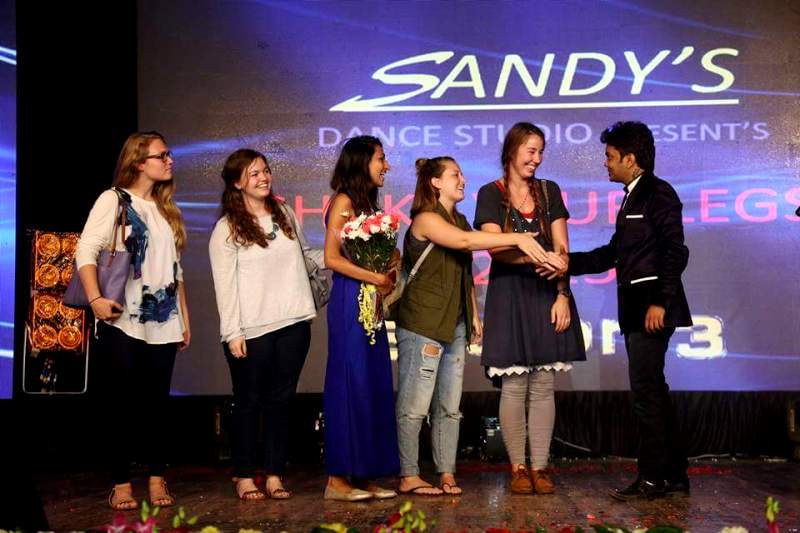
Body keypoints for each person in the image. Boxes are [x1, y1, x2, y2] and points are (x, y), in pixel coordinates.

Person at [394, 156, 563, 496]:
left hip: (453, 322)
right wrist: (517, 238)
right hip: (423, 322)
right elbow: (465, 242)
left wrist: (472, 313)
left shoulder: (457, 218)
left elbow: (463, 269)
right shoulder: (426, 219)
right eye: (455, 174)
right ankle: (409, 474)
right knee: (414, 406)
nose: (462, 180)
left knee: (449, 407)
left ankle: (446, 473)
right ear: (435, 182)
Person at [568, 121, 691, 500]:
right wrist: (563, 262)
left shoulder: (658, 193)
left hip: (651, 308)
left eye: (609, 157)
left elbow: (676, 250)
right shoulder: (631, 196)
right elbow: (613, 253)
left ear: (630, 159)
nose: (605, 163)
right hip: (636, 309)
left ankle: (653, 477)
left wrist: (660, 301)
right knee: (654, 390)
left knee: (646, 394)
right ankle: (673, 474)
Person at [75, 131, 190, 510]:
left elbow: (175, 270)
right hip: (124, 317)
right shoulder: (114, 200)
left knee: (158, 403)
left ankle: (157, 478)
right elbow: (86, 250)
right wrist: (95, 299)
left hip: (165, 317)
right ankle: (121, 483)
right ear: (140, 162)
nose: (170, 160)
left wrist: (184, 319)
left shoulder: (165, 208)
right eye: (162, 155)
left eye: (169, 154)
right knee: (122, 403)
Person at [474, 122, 586, 495]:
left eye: (540, 152)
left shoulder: (549, 191)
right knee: (514, 384)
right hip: (509, 293)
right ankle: (518, 467)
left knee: (543, 385)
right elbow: (493, 248)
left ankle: (540, 467)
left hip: (545, 293)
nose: (536, 159)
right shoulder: (490, 193)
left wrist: (562, 294)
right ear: (512, 151)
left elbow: (562, 248)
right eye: (530, 151)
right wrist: (529, 253)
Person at [209, 149, 318, 501]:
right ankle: (243, 475)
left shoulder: (284, 213)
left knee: (281, 401)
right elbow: (224, 286)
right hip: (252, 330)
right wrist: (232, 333)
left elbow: (307, 255)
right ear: (238, 182)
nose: (264, 177)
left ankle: (274, 473)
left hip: (294, 321)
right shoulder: (226, 228)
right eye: (254, 173)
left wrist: (347, 250)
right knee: (248, 402)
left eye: (266, 170)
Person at [322, 136, 400, 501]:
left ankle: (366, 474)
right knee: (349, 383)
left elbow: (381, 257)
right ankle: (337, 480)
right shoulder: (343, 201)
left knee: (373, 383)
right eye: (381, 159)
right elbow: (332, 258)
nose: (386, 166)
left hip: (372, 301)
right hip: (349, 299)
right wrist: (374, 278)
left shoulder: (370, 204)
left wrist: (391, 266)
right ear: (362, 161)